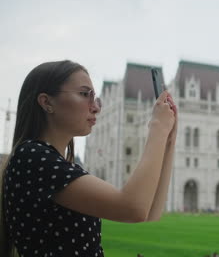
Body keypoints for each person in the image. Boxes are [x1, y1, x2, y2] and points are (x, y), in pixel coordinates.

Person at [0, 60, 178, 257]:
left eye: (95, 97)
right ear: (47, 102)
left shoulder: (56, 164)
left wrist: (167, 142)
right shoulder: (32, 158)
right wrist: (157, 128)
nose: (96, 107)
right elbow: (132, 207)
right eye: (85, 94)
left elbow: (149, 213)